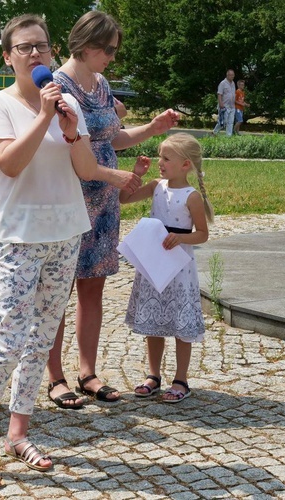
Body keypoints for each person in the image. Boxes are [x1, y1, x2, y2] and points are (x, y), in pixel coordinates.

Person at [0, 13, 128, 488]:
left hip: (66, 231)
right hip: (19, 236)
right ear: (7, 56)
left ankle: (19, 433)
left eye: (42, 47)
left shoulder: (65, 102)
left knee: (40, 340)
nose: (36, 54)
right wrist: (41, 116)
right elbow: (10, 164)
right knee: (8, 342)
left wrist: (72, 129)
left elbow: (83, 168)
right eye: (25, 48)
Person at [47, 10, 179, 408]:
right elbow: (61, 145)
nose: (112, 58)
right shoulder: (58, 85)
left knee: (93, 288)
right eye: (108, 50)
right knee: (58, 291)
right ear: (86, 45)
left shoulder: (101, 83)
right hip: (70, 195)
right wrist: (110, 175)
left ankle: (87, 371)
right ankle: (55, 377)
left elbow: (112, 137)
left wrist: (152, 129)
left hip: (104, 199)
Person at [119, 133, 213, 402]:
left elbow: (202, 234)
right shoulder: (156, 186)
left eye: (166, 158)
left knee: (180, 322)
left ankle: (181, 379)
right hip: (153, 260)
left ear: (185, 165)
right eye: (160, 156)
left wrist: (181, 238)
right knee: (154, 321)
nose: (160, 161)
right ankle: (153, 375)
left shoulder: (191, 196)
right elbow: (124, 199)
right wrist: (135, 174)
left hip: (179, 267)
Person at [212, 69, 236, 136]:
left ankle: (228, 136)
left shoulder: (233, 83)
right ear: (227, 75)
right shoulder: (223, 83)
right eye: (231, 75)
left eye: (233, 75)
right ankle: (215, 132)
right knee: (223, 121)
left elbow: (233, 93)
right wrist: (220, 103)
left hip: (232, 106)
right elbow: (219, 94)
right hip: (224, 106)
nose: (232, 76)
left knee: (230, 122)